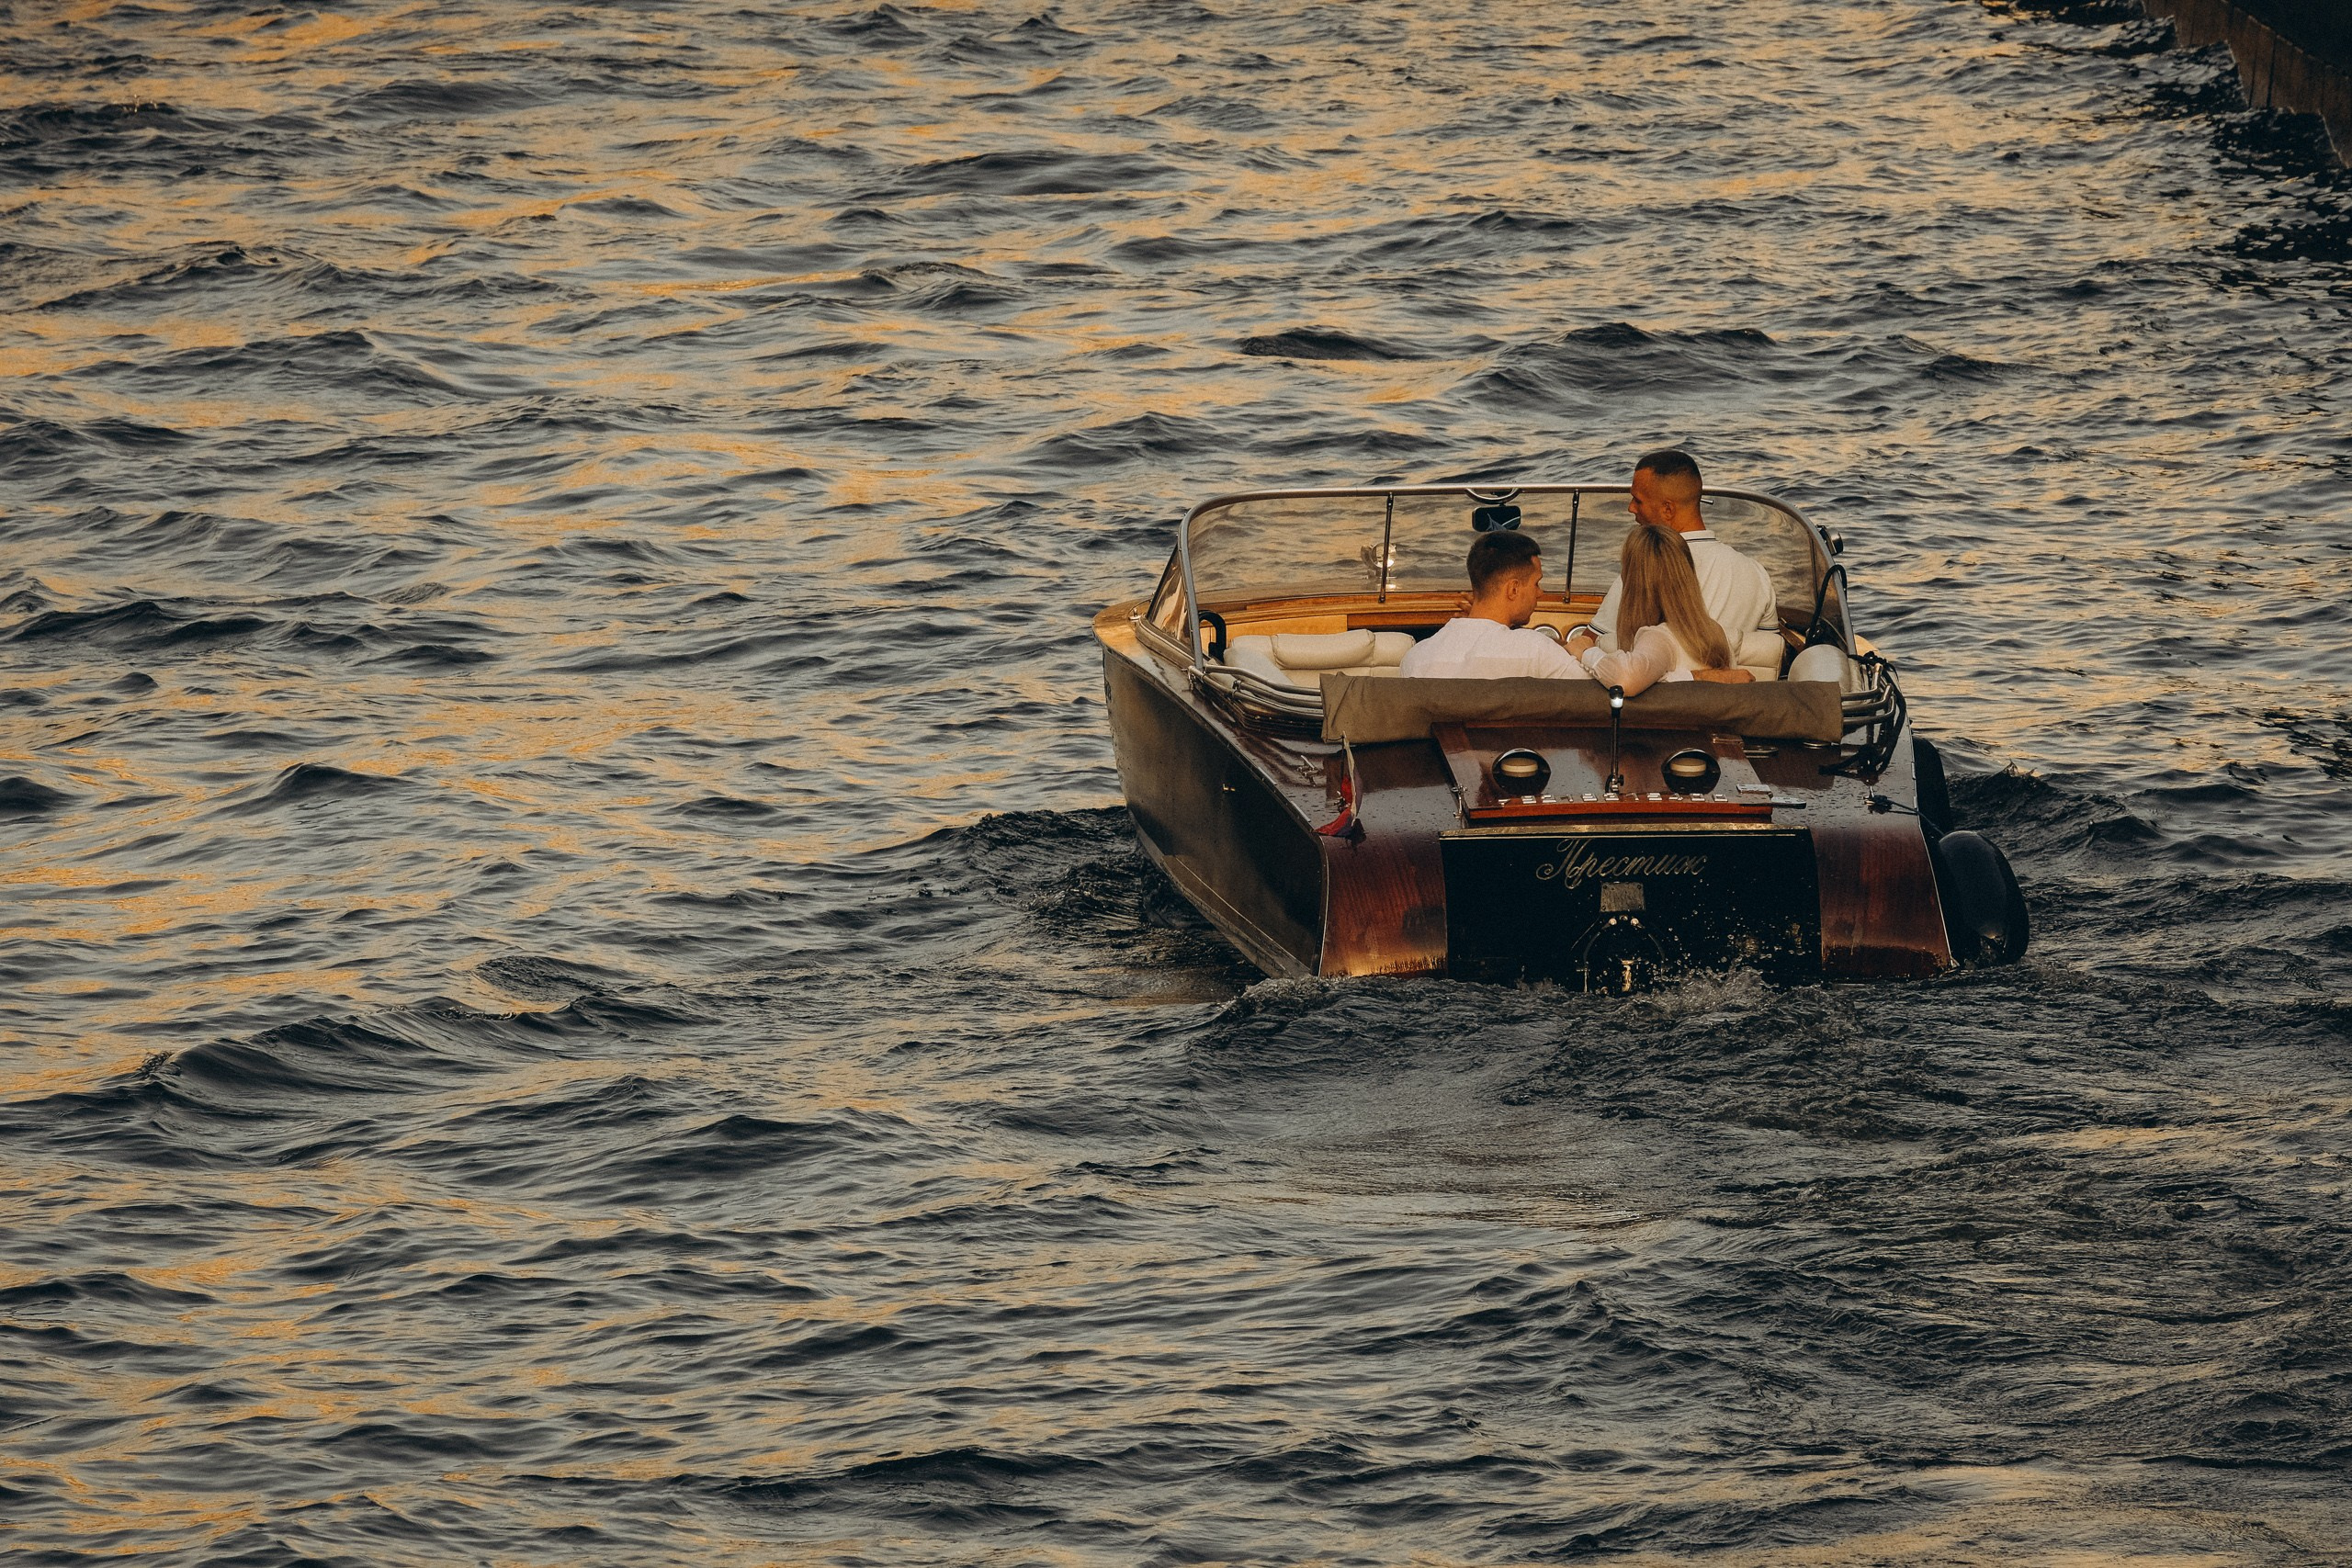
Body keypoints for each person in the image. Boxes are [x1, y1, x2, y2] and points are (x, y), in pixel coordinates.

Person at [1587, 448, 1776, 660]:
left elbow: (1591, 642)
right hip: (1735, 691)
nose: (1631, 508)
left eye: (1637, 500)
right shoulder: (1758, 574)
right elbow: (1769, 655)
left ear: (1668, 509)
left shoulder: (1643, 567)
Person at [1566, 525, 1755, 695]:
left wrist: (1586, 652)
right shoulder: (1715, 631)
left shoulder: (1659, 637)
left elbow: (1626, 680)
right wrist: (1697, 677)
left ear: (1633, 584)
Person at [1398, 529, 1584, 680]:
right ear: (1513, 589)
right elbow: (1600, 700)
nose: (1540, 592)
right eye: (1536, 583)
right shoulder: (1535, 651)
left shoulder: (1415, 658)